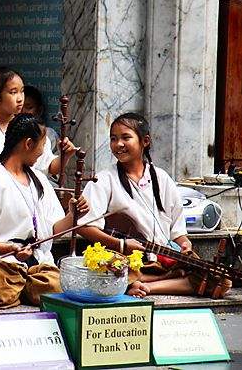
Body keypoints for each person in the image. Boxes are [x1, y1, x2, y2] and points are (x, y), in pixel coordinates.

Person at [77, 113, 231, 298]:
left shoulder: (162, 178)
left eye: (126, 137)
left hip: (163, 258)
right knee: (110, 272)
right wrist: (121, 244)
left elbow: (178, 230)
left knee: (221, 281)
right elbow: (84, 226)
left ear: (145, 141)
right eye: (113, 139)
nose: (118, 144)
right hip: (130, 261)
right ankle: (158, 280)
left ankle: (148, 286)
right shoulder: (103, 179)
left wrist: (184, 244)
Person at [0, 114, 89, 308]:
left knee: (56, 284)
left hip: (39, 268)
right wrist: (9, 249)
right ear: (28, 144)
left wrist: (73, 216)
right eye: (42, 145)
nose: (43, 152)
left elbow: (54, 229)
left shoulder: (40, 181)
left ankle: (25, 290)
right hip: (3, 266)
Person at [0, 67, 76, 182]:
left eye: (22, 91)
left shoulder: (32, 127)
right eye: (13, 92)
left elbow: (49, 167)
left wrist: (64, 156)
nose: (20, 98)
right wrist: (2, 187)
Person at [22, 85, 59, 154]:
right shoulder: (9, 133)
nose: (23, 112)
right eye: (19, 107)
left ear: (39, 111)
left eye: (29, 107)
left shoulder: (49, 134)